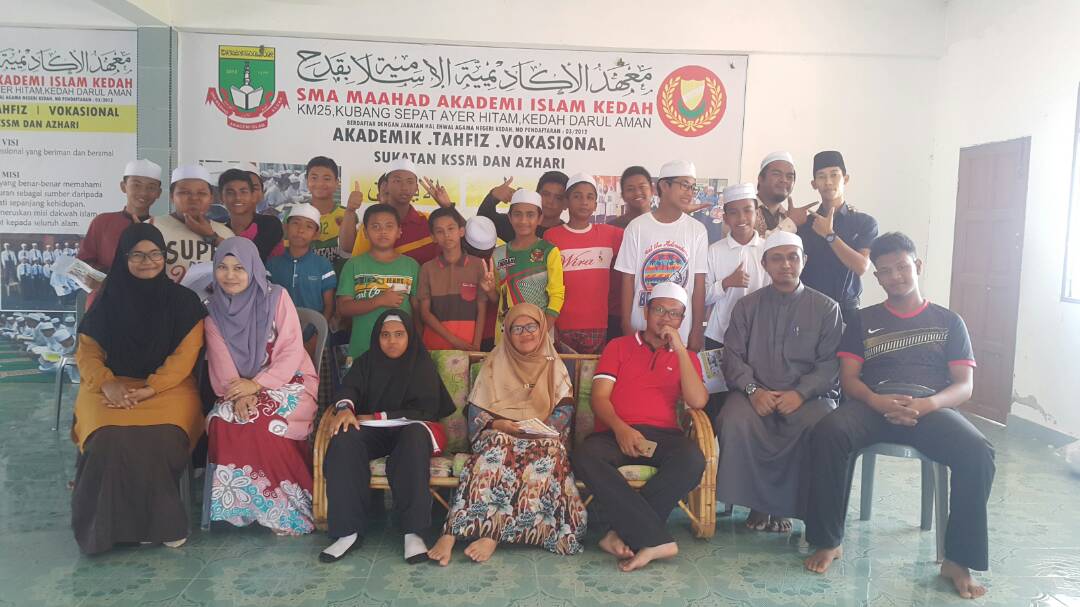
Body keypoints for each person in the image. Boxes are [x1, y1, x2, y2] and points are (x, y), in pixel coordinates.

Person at [803, 232, 995, 599]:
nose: (895, 276)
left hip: (930, 408)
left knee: (978, 451)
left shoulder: (949, 321)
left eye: (902, 267)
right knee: (828, 431)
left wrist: (928, 404)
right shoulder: (862, 320)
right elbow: (849, 379)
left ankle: (958, 560)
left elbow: (964, 385)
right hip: (872, 405)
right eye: (886, 271)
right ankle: (828, 541)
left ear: (917, 266)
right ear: (876, 277)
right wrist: (876, 401)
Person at [70, 223, 207, 554]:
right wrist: (107, 383)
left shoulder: (184, 302)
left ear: (165, 256)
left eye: (155, 254)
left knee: (159, 437)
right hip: (110, 385)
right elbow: (87, 352)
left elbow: (184, 357)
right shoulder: (106, 300)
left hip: (168, 388)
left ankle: (161, 525)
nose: (148, 261)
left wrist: (152, 388)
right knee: (107, 438)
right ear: (123, 257)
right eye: (138, 255)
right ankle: (104, 529)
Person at [428, 303, 586, 565]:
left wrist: (542, 429)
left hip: (542, 437)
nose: (526, 333)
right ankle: (450, 532)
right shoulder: (495, 361)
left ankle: (493, 534)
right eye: (517, 328)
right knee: (495, 452)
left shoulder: (553, 364)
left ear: (542, 329)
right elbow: (476, 410)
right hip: (500, 431)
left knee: (547, 454)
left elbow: (564, 409)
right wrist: (499, 424)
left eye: (531, 326)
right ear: (508, 334)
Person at [572, 282, 708, 572]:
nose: (666, 318)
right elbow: (599, 398)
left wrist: (680, 350)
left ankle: (620, 534)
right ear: (646, 311)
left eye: (674, 314)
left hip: (662, 438)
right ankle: (655, 539)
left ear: (682, 320)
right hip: (615, 433)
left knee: (692, 459)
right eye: (659, 310)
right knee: (585, 455)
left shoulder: (687, 357)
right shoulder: (618, 347)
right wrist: (621, 429)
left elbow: (697, 401)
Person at [717, 231, 843, 533]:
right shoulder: (747, 306)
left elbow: (830, 364)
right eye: (777, 258)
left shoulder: (827, 308)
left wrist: (800, 393)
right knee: (734, 419)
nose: (785, 264)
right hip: (753, 393)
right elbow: (732, 356)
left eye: (792, 257)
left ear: (804, 261)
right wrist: (753, 390)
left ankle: (789, 508)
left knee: (822, 425)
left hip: (808, 398)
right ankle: (757, 505)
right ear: (765, 264)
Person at [202, 238, 319, 535]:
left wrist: (257, 384)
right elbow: (221, 363)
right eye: (223, 267)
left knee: (266, 421)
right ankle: (242, 508)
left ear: (253, 269)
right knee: (223, 420)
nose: (230, 275)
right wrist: (239, 394)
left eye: (239, 268)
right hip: (236, 388)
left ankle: (289, 510)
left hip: (290, 381)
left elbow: (291, 350)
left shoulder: (276, 297)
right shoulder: (213, 312)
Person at [321, 309, 455, 563]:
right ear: (377, 337)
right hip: (375, 432)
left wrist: (377, 416)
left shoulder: (421, 363)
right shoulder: (366, 361)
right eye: (385, 335)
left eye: (399, 334)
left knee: (414, 438)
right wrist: (345, 408)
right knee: (344, 438)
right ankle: (347, 531)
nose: (392, 341)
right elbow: (349, 388)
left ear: (409, 336)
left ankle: (413, 532)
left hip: (411, 429)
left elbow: (426, 410)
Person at [614, 160, 708, 352]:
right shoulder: (637, 227)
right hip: (641, 326)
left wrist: (697, 329)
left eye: (692, 187)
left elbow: (699, 284)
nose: (689, 192)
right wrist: (626, 324)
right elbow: (628, 279)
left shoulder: (697, 230)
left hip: (681, 329)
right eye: (684, 185)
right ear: (664, 186)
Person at [544, 172, 623, 354]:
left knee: (590, 373)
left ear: (596, 204)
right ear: (566, 202)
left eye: (590, 197)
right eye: (577, 196)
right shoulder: (552, 236)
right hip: (560, 324)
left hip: (597, 325)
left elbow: (640, 239)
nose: (584, 202)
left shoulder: (610, 234)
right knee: (562, 372)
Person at [797, 151, 879, 323]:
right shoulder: (805, 224)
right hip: (809, 310)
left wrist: (829, 235)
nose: (828, 182)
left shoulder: (863, 222)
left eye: (834, 175)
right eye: (821, 177)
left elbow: (861, 266)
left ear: (845, 179)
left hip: (847, 312)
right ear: (814, 184)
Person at [337, 203, 420, 358]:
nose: (383, 231)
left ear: (399, 231)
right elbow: (343, 308)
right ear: (365, 232)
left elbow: (417, 310)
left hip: (401, 354)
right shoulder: (353, 265)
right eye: (375, 226)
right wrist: (379, 301)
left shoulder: (411, 266)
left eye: (389, 226)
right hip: (362, 351)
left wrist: (417, 345)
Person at [488, 189, 565, 342]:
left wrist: (541, 332)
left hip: (540, 336)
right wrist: (489, 290)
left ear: (540, 218)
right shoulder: (498, 254)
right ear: (510, 217)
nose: (523, 221)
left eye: (530, 215)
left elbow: (557, 296)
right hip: (506, 336)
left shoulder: (549, 251)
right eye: (518, 214)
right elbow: (498, 298)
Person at [705, 183, 771, 351]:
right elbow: (703, 296)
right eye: (734, 212)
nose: (741, 218)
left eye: (747, 210)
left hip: (758, 336)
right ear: (725, 218)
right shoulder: (714, 251)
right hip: (719, 335)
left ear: (757, 213)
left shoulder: (769, 250)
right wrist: (726, 283)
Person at [266, 203, 336, 347]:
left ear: (316, 234)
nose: (301, 230)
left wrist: (317, 336)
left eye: (309, 226)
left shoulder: (323, 265)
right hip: (279, 337)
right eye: (295, 223)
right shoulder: (272, 264)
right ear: (286, 227)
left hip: (314, 338)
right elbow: (267, 303)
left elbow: (329, 306)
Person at [417, 207, 486, 351]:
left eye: (451, 228)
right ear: (433, 237)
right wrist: (454, 341)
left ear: (461, 231)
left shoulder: (478, 265)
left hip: (469, 345)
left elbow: (481, 309)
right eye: (439, 231)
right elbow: (425, 313)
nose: (446, 235)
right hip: (435, 346)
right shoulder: (427, 268)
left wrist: (476, 345)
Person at [151, 165, 234, 284]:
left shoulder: (225, 233)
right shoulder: (152, 226)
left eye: (202, 193)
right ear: (172, 197)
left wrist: (211, 236)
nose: (194, 198)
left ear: (211, 198)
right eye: (184, 192)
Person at [347, 158, 439, 265]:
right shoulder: (373, 224)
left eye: (410, 182)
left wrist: (447, 207)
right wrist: (350, 211)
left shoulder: (429, 221)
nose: (404, 187)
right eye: (397, 181)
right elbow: (357, 266)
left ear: (416, 188)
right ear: (385, 186)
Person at [78, 159, 162, 275]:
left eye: (151, 187)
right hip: (106, 286)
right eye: (136, 185)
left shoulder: (161, 226)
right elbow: (84, 262)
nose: (143, 192)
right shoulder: (102, 222)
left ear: (158, 193)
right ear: (123, 186)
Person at [479, 171, 568, 242]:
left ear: (566, 204)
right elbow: (482, 222)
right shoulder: (518, 224)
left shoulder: (568, 234)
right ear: (536, 195)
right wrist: (493, 196)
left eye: (558, 198)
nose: (550, 201)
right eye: (546, 194)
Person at [219, 168, 284, 261]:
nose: (238, 197)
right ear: (221, 197)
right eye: (230, 193)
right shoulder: (220, 229)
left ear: (252, 195)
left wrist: (215, 239)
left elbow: (253, 259)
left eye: (243, 192)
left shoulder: (270, 224)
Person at [463, 215, 499, 351]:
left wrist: (491, 291)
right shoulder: (452, 261)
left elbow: (500, 301)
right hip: (467, 332)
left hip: (489, 332)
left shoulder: (499, 261)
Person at [754, 152, 808, 238]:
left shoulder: (787, 216)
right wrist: (791, 223)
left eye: (789, 176)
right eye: (776, 174)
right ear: (760, 179)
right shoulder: (744, 210)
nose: (784, 180)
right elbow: (754, 245)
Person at [608, 166, 654, 230]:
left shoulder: (663, 225)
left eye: (642, 186)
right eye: (630, 189)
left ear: (652, 190)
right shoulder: (611, 228)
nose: (637, 193)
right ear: (623, 196)